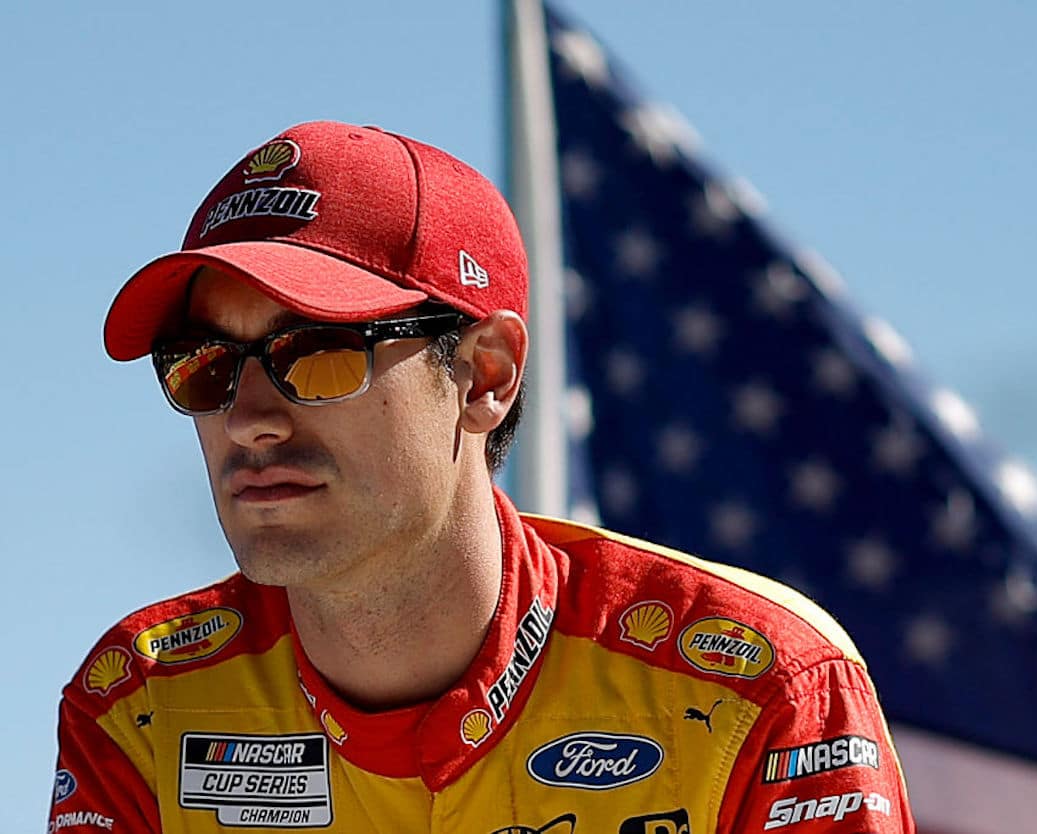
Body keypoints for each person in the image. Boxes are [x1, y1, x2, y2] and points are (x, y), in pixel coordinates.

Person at [50, 121, 916, 834]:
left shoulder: (761, 684)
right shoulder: (140, 706)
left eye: (311, 353)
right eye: (202, 366)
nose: (247, 419)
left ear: (487, 375)